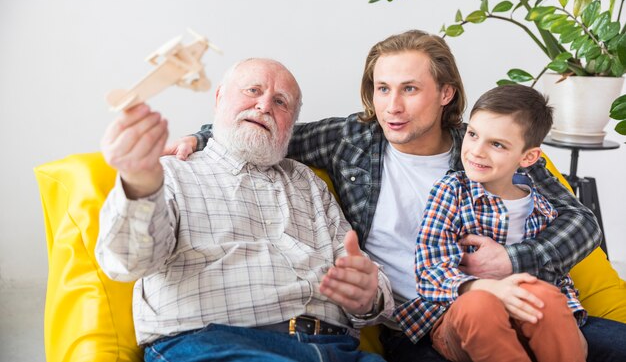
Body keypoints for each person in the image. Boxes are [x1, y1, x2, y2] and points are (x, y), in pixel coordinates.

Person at [167, 30, 626, 361]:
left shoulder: (489, 144)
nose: (392, 106)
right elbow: (268, 128)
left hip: (525, 306)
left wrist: (511, 260)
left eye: (409, 89)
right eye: (382, 89)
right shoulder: (352, 139)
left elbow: (581, 223)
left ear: (446, 93)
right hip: (423, 332)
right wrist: (200, 136)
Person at [96, 58, 396, 362]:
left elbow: (361, 270)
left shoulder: (308, 181)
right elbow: (127, 262)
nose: (264, 105)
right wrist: (138, 184)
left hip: (334, 349)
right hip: (218, 344)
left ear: (291, 124)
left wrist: (369, 294)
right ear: (219, 98)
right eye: (253, 90)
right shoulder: (170, 173)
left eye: (280, 102)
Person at [395, 85, 586, 362]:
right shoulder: (452, 191)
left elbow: (556, 276)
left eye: (497, 144)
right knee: (480, 305)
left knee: (546, 296)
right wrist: (489, 288)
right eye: (473, 135)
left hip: (521, 317)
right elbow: (430, 272)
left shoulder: (542, 206)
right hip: (458, 313)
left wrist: (568, 322)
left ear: (528, 157)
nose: (476, 151)